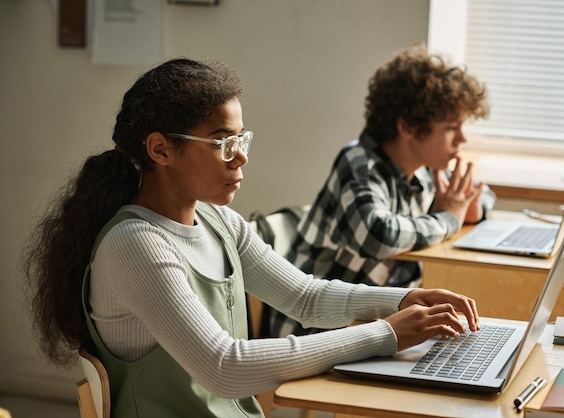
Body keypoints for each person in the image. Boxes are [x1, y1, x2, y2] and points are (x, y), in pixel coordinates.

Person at [22, 57, 480, 418]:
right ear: (161, 149)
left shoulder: (220, 222)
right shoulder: (137, 246)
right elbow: (226, 368)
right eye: (223, 143)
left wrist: (403, 300)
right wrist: (383, 335)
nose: (239, 158)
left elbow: (306, 296)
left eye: (242, 140)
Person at [272, 44, 494, 337]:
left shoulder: (424, 167)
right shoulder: (359, 163)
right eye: (452, 127)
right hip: (317, 331)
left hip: (375, 325)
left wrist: (472, 208)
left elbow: (484, 193)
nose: (462, 138)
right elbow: (378, 234)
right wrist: (449, 219)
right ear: (408, 127)